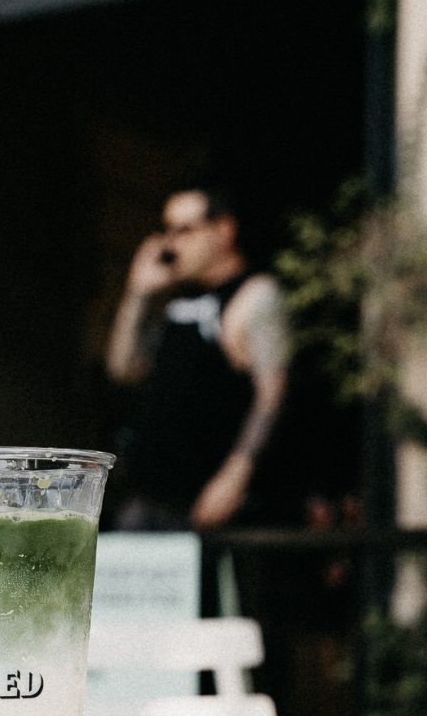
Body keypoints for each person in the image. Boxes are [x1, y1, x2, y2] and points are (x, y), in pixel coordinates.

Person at [105, 187, 293, 531]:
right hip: (146, 496)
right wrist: (137, 293)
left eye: (185, 231)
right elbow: (122, 368)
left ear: (223, 231)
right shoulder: (173, 297)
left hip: (205, 504)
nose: (171, 245)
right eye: (167, 231)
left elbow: (272, 396)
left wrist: (236, 475)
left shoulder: (254, 294)